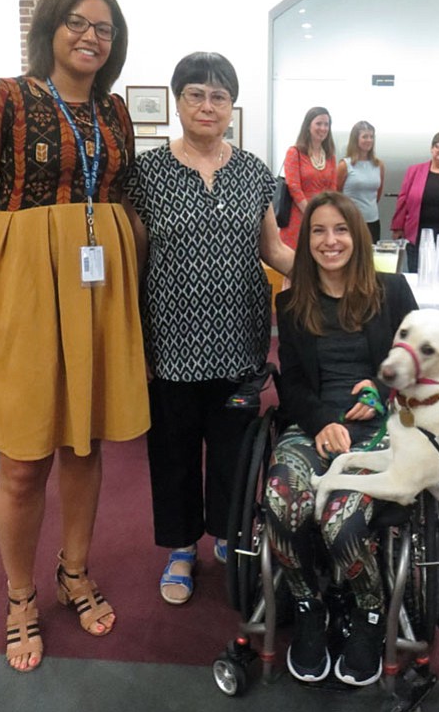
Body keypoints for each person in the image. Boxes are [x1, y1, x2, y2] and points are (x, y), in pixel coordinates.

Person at [0, 0, 150, 673]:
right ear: (51, 28)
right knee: (20, 461)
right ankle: (19, 594)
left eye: (104, 28)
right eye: (78, 22)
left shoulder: (115, 113)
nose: (90, 37)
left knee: (84, 444)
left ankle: (75, 570)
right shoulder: (1, 99)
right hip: (24, 287)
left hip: (97, 291)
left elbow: (128, 205)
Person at [124, 52, 293, 607]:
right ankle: (179, 548)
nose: (206, 105)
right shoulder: (146, 173)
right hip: (169, 345)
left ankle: (224, 533)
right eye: (195, 94)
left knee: (232, 451)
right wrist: (138, 342)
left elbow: (271, 249)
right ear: (178, 102)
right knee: (173, 452)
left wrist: (340, 268)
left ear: (231, 107)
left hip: (239, 341)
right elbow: (136, 264)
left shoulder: (252, 172)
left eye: (218, 96)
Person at [265, 191, 417, 687]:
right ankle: (308, 604)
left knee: (338, 520)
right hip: (313, 426)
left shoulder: (392, 291)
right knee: (281, 501)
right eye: (318, 231)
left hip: (380, 429)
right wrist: (319, 424)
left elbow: (418, 365)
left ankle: (371, 612)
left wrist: (382, 386)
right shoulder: (291, 301)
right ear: (306, 241)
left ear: (359, 234)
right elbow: (291, 384)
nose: (330, 241)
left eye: (341, 230)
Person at [391, 131, 439, 271]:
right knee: (416, 272)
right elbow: (403, 200)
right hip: (417, 233)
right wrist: (397, 227)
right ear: (432, 148)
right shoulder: (414, 171)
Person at [279, 106, 337, 249]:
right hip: (299, 217)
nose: (323, 128)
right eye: (319, 123)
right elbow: (294, 188)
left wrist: (327, 213)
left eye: (326, 124)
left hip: (323, 216)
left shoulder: (330, 156)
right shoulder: (295, 152)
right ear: (308, 126)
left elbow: (333, 189)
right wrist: (311, 212)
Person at [337, 120, 385, 242]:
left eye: (371, 137)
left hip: (373, 221)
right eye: (365, 136)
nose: (369, 140)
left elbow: (377, 194)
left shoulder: (379, 165)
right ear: (355, 139)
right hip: (350, 221)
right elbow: (336, 193)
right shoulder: (345, 165)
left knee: (371, 257)